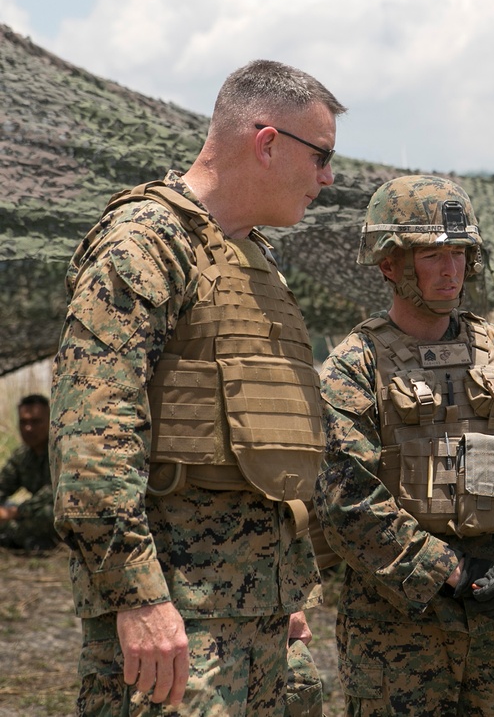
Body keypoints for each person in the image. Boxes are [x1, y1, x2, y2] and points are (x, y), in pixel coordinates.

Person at [49, 59, 345, 716]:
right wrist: (139, 598)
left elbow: (269, 442)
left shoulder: (254, 260)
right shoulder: (145, 248)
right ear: (267, 143)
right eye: (321, 155)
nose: (328, 177)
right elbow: (92, 444)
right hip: (177, 619)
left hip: (258, 616)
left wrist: (286, 592)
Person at [314, 174, 494, 715]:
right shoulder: (354, 365)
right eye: (434, 253)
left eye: (461, 252)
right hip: (398, 627)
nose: (452, 269)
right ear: (389, 263)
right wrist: (446, 570)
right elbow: (346, 497)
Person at [0, 393, 59, 550]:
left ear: (51, 422)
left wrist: (16, 512)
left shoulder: (61, 452)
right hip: (28, 514)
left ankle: (15, 536)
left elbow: (52, 493)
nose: (28, 428)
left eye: (36, 422)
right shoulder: (22, 456)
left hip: (56, 513)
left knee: (50, 515)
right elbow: (3, 484)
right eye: (23, 422)